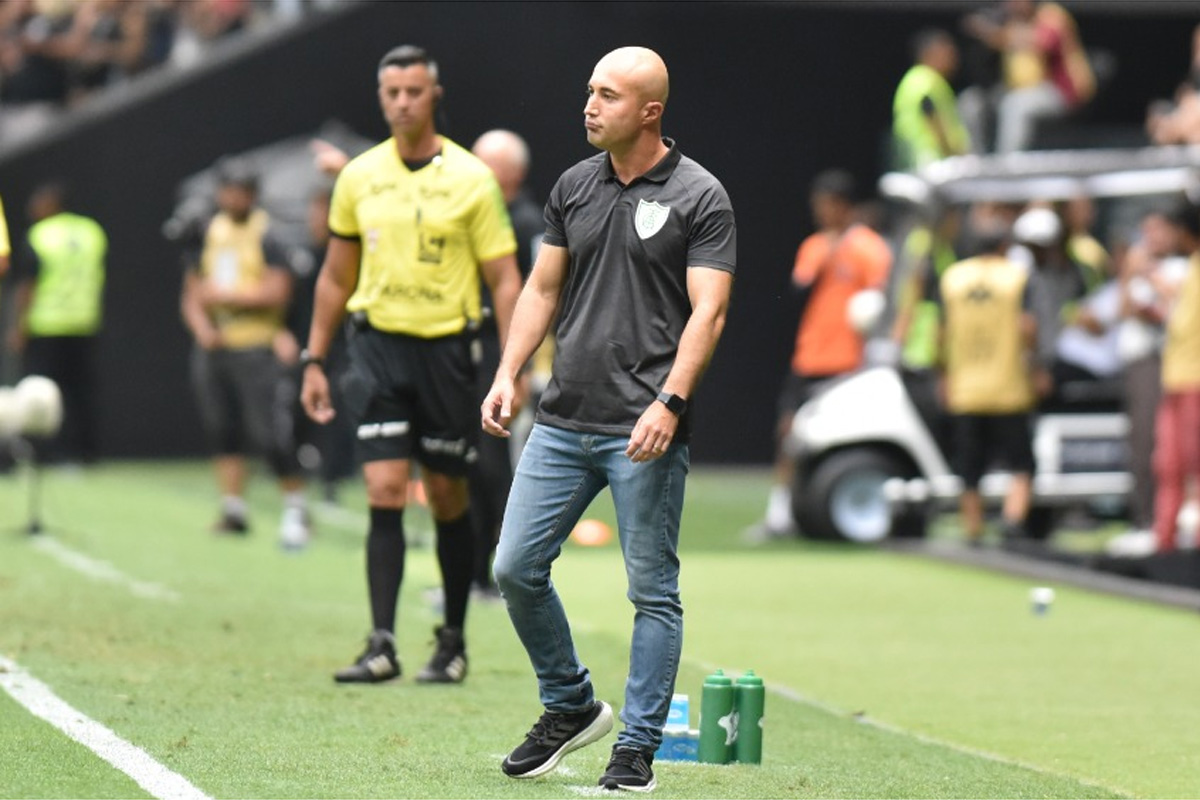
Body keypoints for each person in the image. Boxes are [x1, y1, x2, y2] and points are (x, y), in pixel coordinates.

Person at [482, 46, 736, 792]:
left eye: (609, 95)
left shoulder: (701, 195)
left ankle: (636, 751)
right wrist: (509, 372)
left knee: (651, 589)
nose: (590, 105)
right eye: (590, 91)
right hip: (562, 419)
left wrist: (670, 403)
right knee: (514, 568)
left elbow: (710, 311)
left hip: (643, 428)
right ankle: (569, 706)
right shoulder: (572, 185)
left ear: (649, 112)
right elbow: (540, 289)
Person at [300, 45, 522, 685]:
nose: (402, 102)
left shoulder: (472, 178)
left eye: (413, 92)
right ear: (381, 97)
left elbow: (505, 279)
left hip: (448, 353)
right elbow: (336, 275)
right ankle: (381, 643)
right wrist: (317, 357)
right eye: (391, 92)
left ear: (434, 94)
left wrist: (512, 364)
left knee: (448, 494)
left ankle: (451, 641)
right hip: (375, 351)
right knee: (384, 490)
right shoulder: (359, 177)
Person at [749, 169, 892, 540]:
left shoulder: (869, 248)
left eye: (827, 206)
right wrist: (831, 249)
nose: (820, 213)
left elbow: (879, 301)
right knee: (789, 433)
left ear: (844, 206)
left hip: (849, 362)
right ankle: (780, 514)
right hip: (809, 357)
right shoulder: (814, 246)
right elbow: (799, 290)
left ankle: (832, 510)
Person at [179, 157, 310, 547]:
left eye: (242, 190)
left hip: (256, 346)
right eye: (228, 190)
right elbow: (191, 292)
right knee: (222, 429)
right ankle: (233, 508)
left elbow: (278, 291)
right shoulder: (207, 232)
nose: (234, 197)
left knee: (269, 434)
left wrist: (227, 296)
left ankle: (295, 507)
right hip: (216, 347)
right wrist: (202, 328)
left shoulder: (268, 234)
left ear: (253, 195)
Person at [468, 128, 543, 600]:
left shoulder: (528, 222)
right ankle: (472, 574)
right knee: (471, 465)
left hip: (507, 360)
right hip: (471, 353)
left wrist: (521, 367)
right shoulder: (479, 215)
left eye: (484, 163)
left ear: (511, 173)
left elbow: (539, 296)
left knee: (500, 467)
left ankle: (503, 573)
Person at [937, 220, 1037, 545]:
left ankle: (973, 528)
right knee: (1022, 461)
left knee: (970, 464)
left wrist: (944, 372)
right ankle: (1012, 520)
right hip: (1008, 385)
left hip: (966, 387)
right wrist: (1034, 363)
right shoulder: (1016, 277)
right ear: (1004, 245)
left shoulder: (953, 278)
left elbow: (941, 333)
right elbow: (1028, 327)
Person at [8, 181, 106, 465]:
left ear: (51, 203)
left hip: (47, 325)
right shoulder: (91, 232)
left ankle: (41, 454)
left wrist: (18, 326)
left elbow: (27, 286)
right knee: (80, 391)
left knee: (39, 394)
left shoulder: (41, 235)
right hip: (84, 323)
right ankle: (84, 454)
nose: (32, 207)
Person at [962, 0, 1094, 153]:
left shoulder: (1051, 14)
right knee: (971, 102)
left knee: (1015, 104)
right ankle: (975, 163)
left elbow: (1041, 42)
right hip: (1015, 89)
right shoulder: (1009, 19)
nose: (1013, 5)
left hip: (1059, 91)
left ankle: (1007, 168)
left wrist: (992, 33)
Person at [1152, 202, 1200, 552]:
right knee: (1169, 466)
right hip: (1178, 380)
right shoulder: (1192, 270)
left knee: (1193, 467)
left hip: (1194, 382)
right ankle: (1165, 540)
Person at [891, 28, 971, 171]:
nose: (954, 58)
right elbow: (933, 120)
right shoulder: (925, 80)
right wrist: (954, 154)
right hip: (930, 161)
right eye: (948, 53)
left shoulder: (917, 78)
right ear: (931, 53)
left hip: (919, 160)